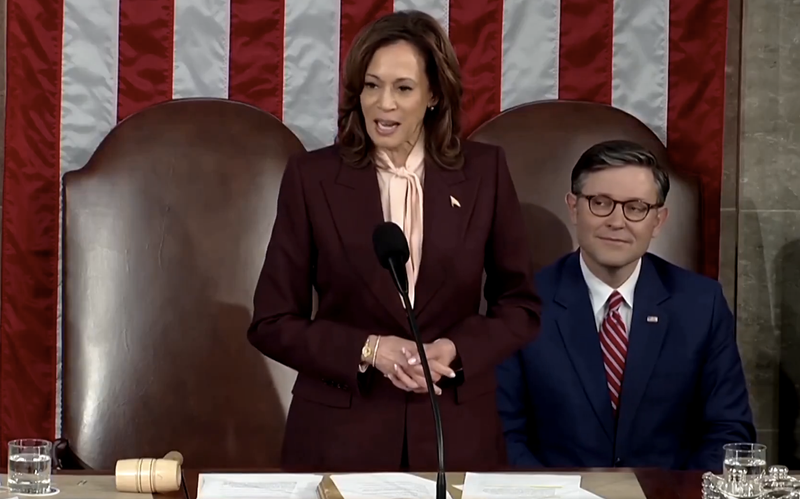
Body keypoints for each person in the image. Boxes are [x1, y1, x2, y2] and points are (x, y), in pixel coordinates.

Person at [248, 10, 541, 472]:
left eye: (403, 88)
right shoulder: (313, 178)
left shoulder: (484, 173)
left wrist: (455, 349)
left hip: (455, 433)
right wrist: (368, 349)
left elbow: (520, 307)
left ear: (433, 96)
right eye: (372, 86)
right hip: (339, 438)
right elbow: (272, 321)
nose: (383, 104)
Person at [496, 140, 755, 471]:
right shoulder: (523, 303)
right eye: (601, 203)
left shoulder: (702, 305)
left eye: (636, 208)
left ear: (658, 220)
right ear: (574, 207)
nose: (617, 222)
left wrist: (679, 494)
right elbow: (502, 435)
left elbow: (728, 432)